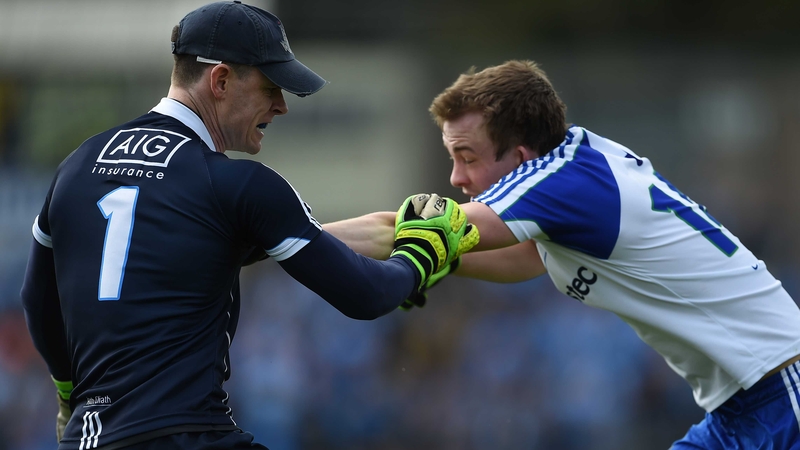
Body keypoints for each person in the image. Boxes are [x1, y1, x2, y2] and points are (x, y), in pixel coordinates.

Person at [18, 2, 478, 449]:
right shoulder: (236, 185)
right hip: (188, 434)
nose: (281, 106)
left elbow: (38, 300)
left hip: (88, 437)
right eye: (271, 87)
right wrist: (421, 252)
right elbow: (365, 294)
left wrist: (68, 391)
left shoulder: (76, 166)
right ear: (220, 79)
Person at [325, 60, 800, 448]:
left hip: (782, 394)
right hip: (745, 406)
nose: (455, 178)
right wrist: (438, 262)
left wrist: (275, 234)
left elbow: (416, 225)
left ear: (522, 156)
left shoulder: (561, 180)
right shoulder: (574, 172)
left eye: (467, 156)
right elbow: (524, 260)